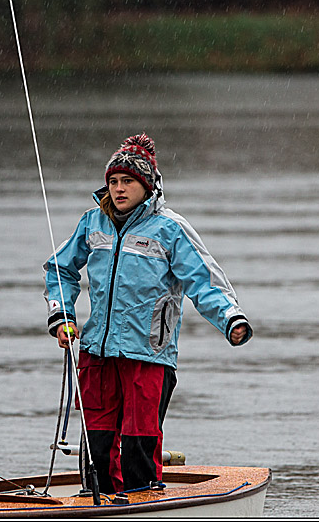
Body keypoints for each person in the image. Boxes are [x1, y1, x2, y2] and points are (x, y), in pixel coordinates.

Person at [43, 133, 252, 495]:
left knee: (138, 446)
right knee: (97, 446)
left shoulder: (170, 228)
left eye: (127, 181)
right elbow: (60, 269)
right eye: (113, 181)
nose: (119, 189)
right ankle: (97, 503)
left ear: (147, 185)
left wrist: (231, 319)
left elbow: (203, 281)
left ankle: (142, 502)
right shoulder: (92, 222)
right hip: (96, 354)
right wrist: (62, 316)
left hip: (149, 355)